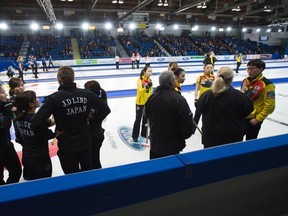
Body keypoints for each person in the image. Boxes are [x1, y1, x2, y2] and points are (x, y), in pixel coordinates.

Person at [31, 66, 111, 174]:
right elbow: (105, 109)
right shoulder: (86, 94)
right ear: (73, 78)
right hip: (85, 143)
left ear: (59, 79)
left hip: (67, 145)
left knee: (72, 178)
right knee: (88, 176)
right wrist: (92, 122)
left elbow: (35, 122)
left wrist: (51, 134)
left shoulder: (54, 99)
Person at [196, 67, 253, 148]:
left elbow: (199, 108)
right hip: (233, 136)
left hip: (211, 136)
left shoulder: (206, 95)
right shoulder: (240, 96)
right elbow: (248, 111)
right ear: (231, 79)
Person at [144, 71, 193, 159]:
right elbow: (188, 124)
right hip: (173, 147)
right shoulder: (179, 99)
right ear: (171, 82)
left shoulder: (151, 98)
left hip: (155, 145)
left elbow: (146, 115)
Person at [15, 90, 55, 180]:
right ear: (31, 104)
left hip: (27, 155)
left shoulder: (18, 119)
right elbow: (49, 133)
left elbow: (18, 138)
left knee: (31, 180)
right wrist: (53, 109)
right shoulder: (36, 119)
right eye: (36, 98)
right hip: (40, 156)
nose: (38, 99)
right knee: (44, 181)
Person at [240, 59, 275, 140]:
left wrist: (258, 119)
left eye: (252, 69)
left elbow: (270, 106)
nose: (249, 71)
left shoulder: (268, 85)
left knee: (251, 141)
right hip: (242, 116)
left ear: (261, 69)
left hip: (253, 119)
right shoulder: (245, 81)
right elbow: (241, 96)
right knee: (236, 139)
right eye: (248, 68)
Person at [84, 80, 110, 169]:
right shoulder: (96, 102)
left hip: (94, 135)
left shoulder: (98, 104)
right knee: (93, 159)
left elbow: (107, 110)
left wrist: (92, 120)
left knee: (93, 160)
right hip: (96, 134)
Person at [0, 84, 22, 185]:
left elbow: (15, 116)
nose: (6, 95)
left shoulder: (5, 106)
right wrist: (6, 113)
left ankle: (8, 191)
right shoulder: (5, 109)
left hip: (6, 144)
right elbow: (3, 126)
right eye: (2, 92)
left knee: (16, 171)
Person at [192, 63, 215, 134]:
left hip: (210, 99)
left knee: (208, 116)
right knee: (197, 115)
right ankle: (192, 130)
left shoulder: (214, 77)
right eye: (207, 68)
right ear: (204, 68)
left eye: (211, 68)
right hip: (201, 99)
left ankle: (205, 129)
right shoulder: (200, 77)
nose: (209, 69)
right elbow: (196, 89)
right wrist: (195, 99)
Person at [132, 66, 153, 142]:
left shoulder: (150, 81)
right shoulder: (139, 80)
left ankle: (143, 133)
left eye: (151, 71)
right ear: (144, 72)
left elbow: (150, 92)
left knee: (145, 119)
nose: (150, 73)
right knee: (138, 119)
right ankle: (135, 135)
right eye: (149, 71)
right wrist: (147, 87)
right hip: (140, 103)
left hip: (147, 103)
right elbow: (140, 91)